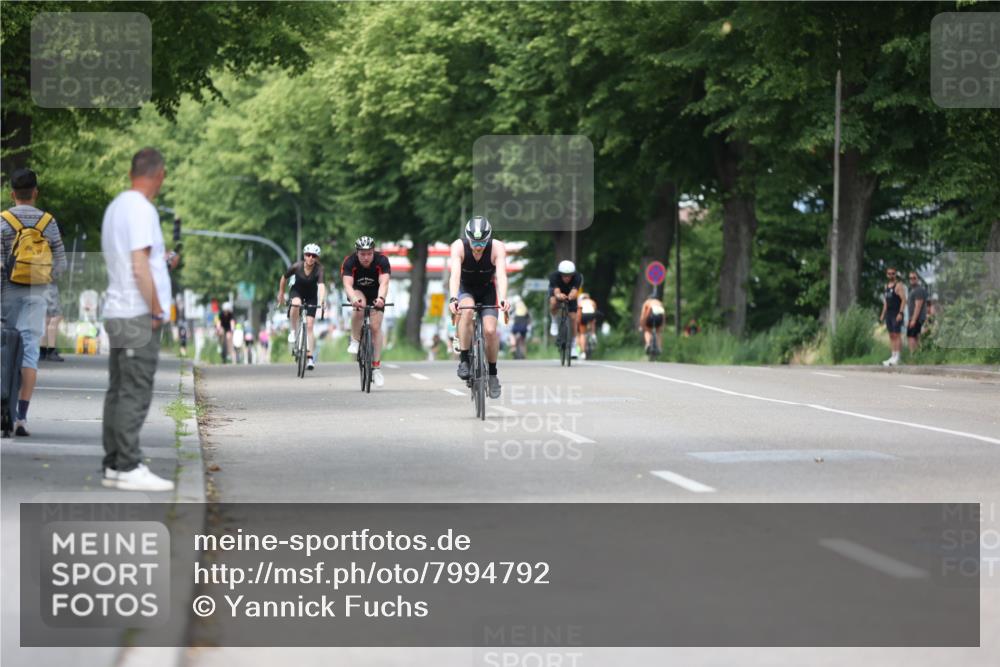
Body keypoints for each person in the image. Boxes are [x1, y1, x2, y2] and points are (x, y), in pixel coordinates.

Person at [100, 147, 177, 491]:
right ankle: (128, 465)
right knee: (135, 391)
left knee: (118, 390)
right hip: (136, 312)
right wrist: (157, 309)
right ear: (159, 175)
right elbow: (139, 264)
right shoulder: (142, 210)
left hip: (118, 309)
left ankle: (115, 463)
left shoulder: (117, 206)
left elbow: (142, 259)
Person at [1, 168, 67, 436]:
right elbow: (61, 265)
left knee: (3, 348)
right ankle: (21, 418)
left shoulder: (3, 221)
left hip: (5, 294)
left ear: (12, 193)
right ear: (35, 192)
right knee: (30, 350)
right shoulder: (48, 223)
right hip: (36, 294)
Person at [448, 216, 511, 398]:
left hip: (487, 290)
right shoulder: (458, 246)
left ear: (488, 238)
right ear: (468, 238)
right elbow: (454, 276)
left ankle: (492, 374)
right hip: (466, 288)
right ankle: (465, 360)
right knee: (466, 311)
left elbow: (501, 275)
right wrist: (453, 299)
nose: (478, 246)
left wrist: (504, 298)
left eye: (482, 242)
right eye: (474, 242)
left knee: (490, 331)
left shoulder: (497, 247)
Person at [341, 236, 391, 387]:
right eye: (362, 254)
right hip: (358, 291)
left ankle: (376, 368)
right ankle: (355, 340)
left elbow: (384, 282)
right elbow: (348, 285)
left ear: (373, 251)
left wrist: (381, 298)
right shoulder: (350, 262)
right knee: (359, 306)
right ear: (357, 253)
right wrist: (353, 298)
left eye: (369, 253)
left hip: (376, 294)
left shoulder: (381, 261)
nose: (366, 257)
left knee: (376, 327)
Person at [279, 243, 326, 371]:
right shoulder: (297, 266)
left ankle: (310, 357)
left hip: (311, 295)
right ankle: (293, 331)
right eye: (308, 255)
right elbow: (284, 278)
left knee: (310, 325)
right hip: (297, 292)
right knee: (296, 304)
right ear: (304, 256)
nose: (310, 257)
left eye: (314, 256)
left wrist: (322, 300)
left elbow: (321, 286)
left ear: (317, 258)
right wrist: (281, 294)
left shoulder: (319, 269)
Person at [548, 260, 582, 341]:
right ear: (560, 274)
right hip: (558, 291)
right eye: (564, 275)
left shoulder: (577, 277)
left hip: (570, 292)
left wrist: (570, 297)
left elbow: (574, 292)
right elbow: (556, 292)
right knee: (553, 302)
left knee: (574, 317)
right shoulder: (554, 276)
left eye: (569, 275)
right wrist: (559, 296)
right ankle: (554, 321)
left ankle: (574, 342)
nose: (567, 278)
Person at [879, 266, 906, 366]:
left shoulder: (898, 286)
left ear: (895, 274)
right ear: (887, 275)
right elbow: (885, 302)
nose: (891, 275)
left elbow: (904, 300)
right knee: (891, 335)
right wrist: (882, 314)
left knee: (897, 334)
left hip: (896, 313)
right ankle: (893, 355)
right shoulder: (886, 286)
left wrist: (901, 313)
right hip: (889, 314)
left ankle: (898, 357)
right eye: (889, 273)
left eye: (893, 273)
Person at [41, 283, 65, 361]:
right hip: (49, 283)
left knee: (46, 318)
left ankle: (42, 352)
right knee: (55, 317)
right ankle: (51, 351)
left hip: (39, 284)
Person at [906, 271, 929, 353]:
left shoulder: (918, 290)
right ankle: (916, 357)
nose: (912, 279)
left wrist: (913, 320)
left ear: (918, 279)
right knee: (914, 337)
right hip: (913, 318)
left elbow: (918, 306)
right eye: (910, 278)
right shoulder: (912, 290)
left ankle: (913, 356)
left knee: (911, 337)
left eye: (914, 278)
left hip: (917, 318)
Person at [577, 292, 598, 360]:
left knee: (582, 334)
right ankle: (593, 334)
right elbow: (595, 312)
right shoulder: (592, 301)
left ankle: (583, 352)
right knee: (593, 321)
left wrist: (578, 323)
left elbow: (579, 313)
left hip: (583, 315)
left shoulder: (580, 302)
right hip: (591, 315)